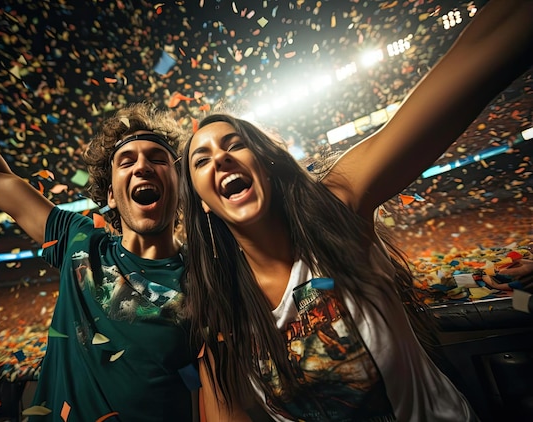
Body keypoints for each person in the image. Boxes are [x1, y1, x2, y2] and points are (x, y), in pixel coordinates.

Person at [179, 0, 533, 420]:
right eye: (201, 160)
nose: (220, 158)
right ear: (201, 199)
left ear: (268, 164)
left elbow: (483, 51)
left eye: (234, 143)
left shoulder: (336, 209)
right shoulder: (220, 305)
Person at [0, 60, 198, 421]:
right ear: (112, 196)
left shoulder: (206, 276)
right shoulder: (80, 244)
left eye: (157, 158)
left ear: (181, 186)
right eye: (126, 161)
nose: (141, 166)